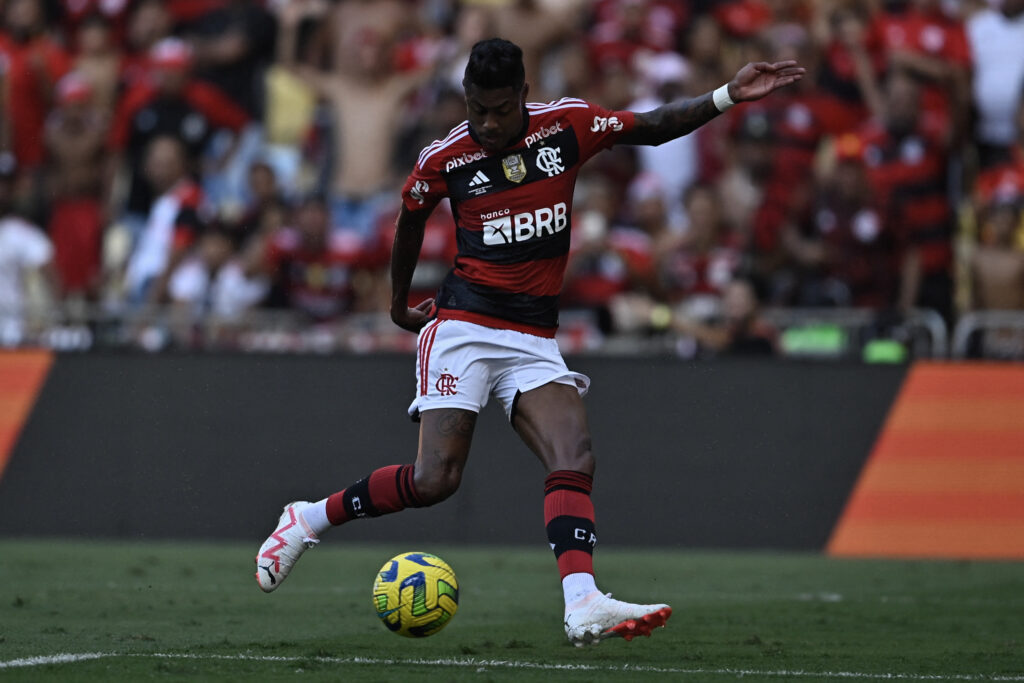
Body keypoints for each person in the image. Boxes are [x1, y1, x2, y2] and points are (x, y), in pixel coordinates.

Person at [255, 38, 803, 646]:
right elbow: (410, 221)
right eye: (476, 109)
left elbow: (650, 126)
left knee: (575, 454)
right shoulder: (446, 158)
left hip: (533, 335)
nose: (487, 123)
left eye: (499, 109)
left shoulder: (564, 127)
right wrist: (396, 302)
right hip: (463, 327)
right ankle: (306, 518)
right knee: (435, 481)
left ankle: (582, 602)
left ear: (522, 95)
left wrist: (727, 95)